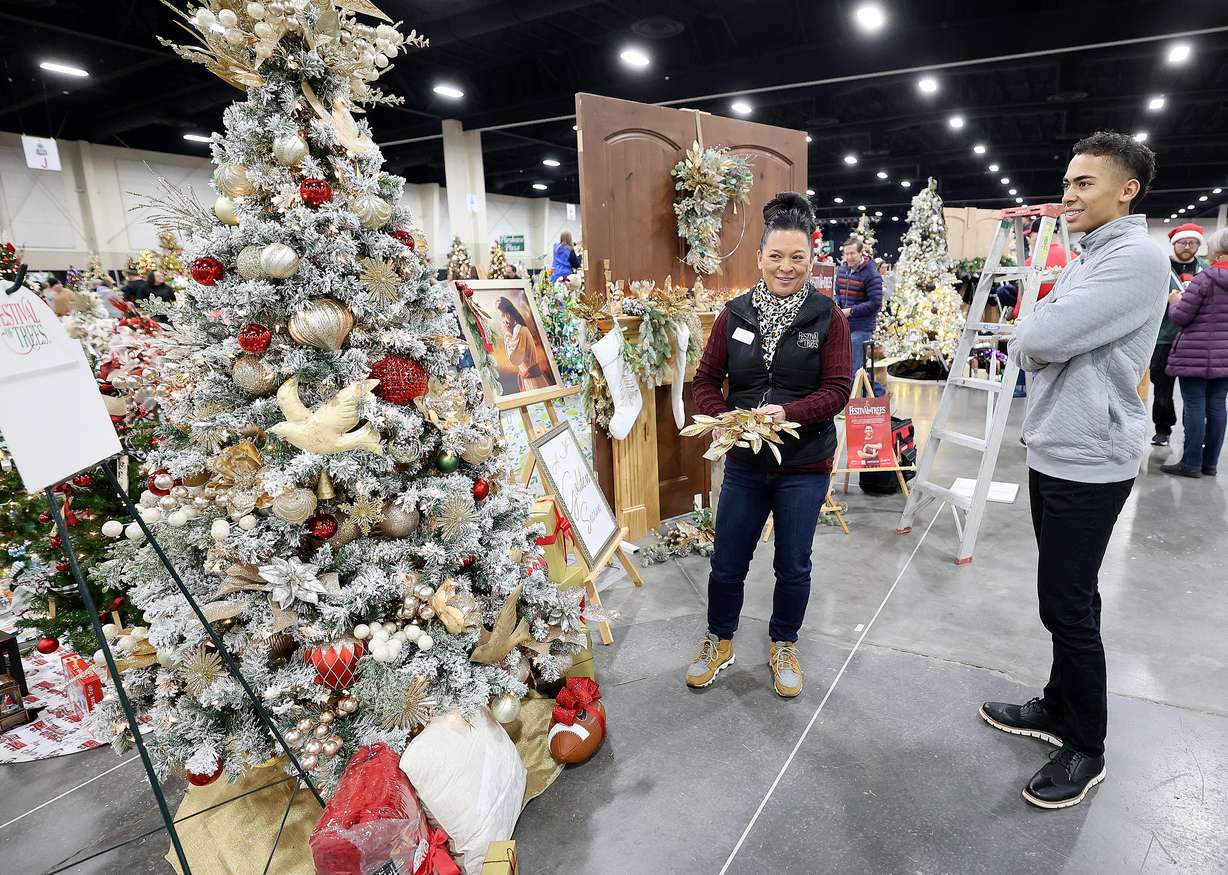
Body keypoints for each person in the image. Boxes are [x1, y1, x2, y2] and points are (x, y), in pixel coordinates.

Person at [988, 131, 1168, 809]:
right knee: (1067, 595)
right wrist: (1047, 324)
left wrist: (1042, 325)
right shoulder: (1094, 254)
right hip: (1061, 446)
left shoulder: (1138, 259)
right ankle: (1059, 704)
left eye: (1084, 183)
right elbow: (1044, 335)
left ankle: (1086, 743)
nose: (1068, 195)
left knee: (1067, 603)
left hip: (1091, 457)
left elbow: (1036, 339)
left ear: (1128, 190)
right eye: (1066, 182)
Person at [686, 192, 852, 698]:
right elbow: (706, 380)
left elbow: (838, 391)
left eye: (797, 258)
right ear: (759, 259)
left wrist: (788, 413)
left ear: (811, 259)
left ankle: (784, 642)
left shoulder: (829, 317)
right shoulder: (733, 315)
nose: (786, 267)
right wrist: (724, 417)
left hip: (804, 464)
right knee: (728, 559)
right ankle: (720, 640)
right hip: (743, 463)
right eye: (775, 257)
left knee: (793, 563)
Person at [1160, 227, 1228, 478]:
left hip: (1195, 354)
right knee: (1218, 406)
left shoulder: (1206, 278)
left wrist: (1175, 302)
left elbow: (1181, 317)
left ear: (1218, 252)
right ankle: (1210, 464)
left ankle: (1191, 464)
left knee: (1195, 405)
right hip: (1226, 357)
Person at [1151, 223, 1208, 447]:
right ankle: (1162, 430)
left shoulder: (1205, 271)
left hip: (1194, 339)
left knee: (1193, 391)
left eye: (1192, 243)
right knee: (1162, 388)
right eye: (1183, 242)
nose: (1187, 246)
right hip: (1163, 337)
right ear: (1174, 244)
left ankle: (1192, 434)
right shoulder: (1162, 269)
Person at [835, 236, 883, 395]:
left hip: (862, 328)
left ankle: (850, 402)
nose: (848, 257)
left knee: (855, 367)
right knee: (844, 365)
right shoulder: (842, 270)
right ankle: (879, 394)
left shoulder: (871, 274)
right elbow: (838, 294)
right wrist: (837, 304)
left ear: (861, 253)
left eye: (852, 254)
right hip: (844, 325)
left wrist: (851, 311)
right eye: (846, 254)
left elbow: (875, 303)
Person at [497, 296, 551, 392]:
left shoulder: (520, 330)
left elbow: (515, 359)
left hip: (533, 381)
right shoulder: (518, 330)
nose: (502, 321)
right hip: (529, 379)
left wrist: (507, 334)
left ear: (507, 315)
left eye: (502, 315)